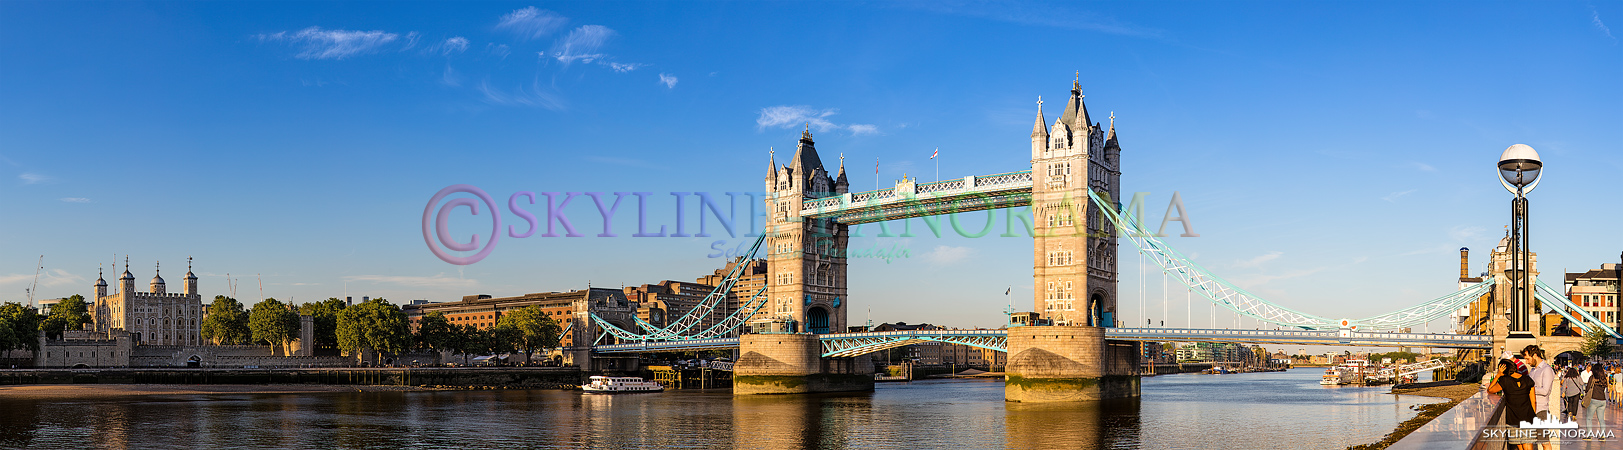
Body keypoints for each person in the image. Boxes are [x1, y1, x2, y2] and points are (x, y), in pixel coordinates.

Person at [1491, 358, 1537, 450]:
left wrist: (1498, 375)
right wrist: (1533, 415)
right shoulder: (1528, 379)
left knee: (1519, 447)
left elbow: (1490, 390)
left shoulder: (1505, 381)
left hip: (1513, 419)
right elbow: (1533, 400)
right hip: (1528, 417)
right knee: (1528, 445)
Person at [1523, 345, 1555, 421]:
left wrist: (1529, 388)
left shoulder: (1546, 369)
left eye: (1528, 359)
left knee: (1542, 433)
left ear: (1535, 355)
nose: (1527, 362)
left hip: (1541, 411)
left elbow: (1545, 391)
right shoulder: (1533, 370)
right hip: (1531, 409)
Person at [1584, 363, 1610, 437]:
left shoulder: (1592, 378)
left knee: (1589, 418)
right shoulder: (1604, 378)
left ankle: (1589, 435)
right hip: (1603, 400)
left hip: (1594, 399)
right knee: (1601, 419)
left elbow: (1587, 389)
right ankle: (1603, 435)